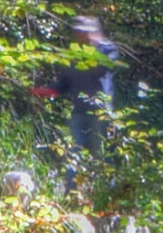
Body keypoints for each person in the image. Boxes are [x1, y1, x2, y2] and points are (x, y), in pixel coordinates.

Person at [48, 15, 119, 156]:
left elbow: (104, 68)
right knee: (75, 155)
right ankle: (73, 179)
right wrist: (45, 91)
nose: (82, 35)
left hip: (101, 114)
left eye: (85, 32)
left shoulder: (107, 50)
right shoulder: (71, 55)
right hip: (79, 113)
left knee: (103, 155)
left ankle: (104, 178)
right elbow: (64, 83)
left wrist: (90, 49)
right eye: (79, 32)